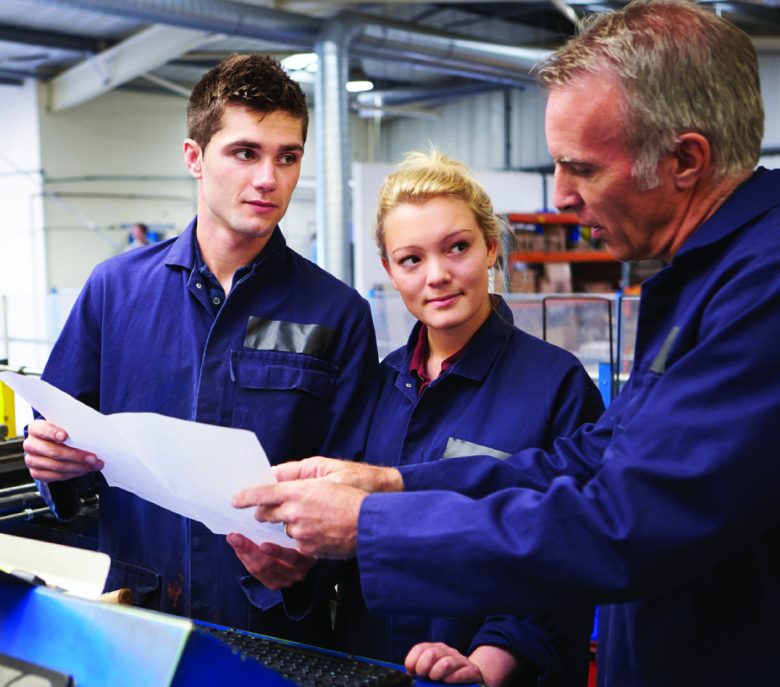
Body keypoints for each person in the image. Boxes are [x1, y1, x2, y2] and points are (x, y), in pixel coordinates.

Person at [233, 1, 780, 683]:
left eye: (582, 168)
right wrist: (391, 485)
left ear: (686, 160)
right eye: (409, 258)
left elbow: (624, 520)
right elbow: (589, 462)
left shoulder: (762, 290)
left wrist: (373, 523)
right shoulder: (704, 282)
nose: (562, 197)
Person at [23, 54, 379, 645]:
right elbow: (57, 434)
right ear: (195, 158)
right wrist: (50, 463)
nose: (269, 178)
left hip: (271, 629)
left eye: (287, 157)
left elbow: (352, 485)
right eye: (245, 153)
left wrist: (305, 572)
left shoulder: (337, 315)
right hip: (136, 616)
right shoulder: (114, 291)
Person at [336, 149, 604, 686]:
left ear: (490, 248)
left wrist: (491, 657)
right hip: (373, 666)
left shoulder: (558, 384)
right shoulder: (380, 382)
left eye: (456, 248)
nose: (437, 276)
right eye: (411, 259)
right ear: (389, 270)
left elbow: (571, 550)